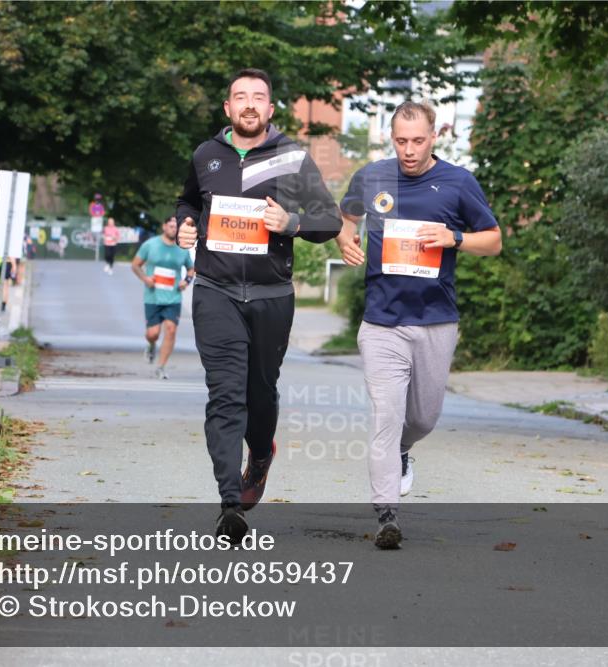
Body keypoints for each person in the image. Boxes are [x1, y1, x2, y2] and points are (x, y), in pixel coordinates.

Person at [177, 68, 342, 541]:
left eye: (259, 97)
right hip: (216, 290)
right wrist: (184, 224)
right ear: (227, 108)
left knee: (259, 393)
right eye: (239, 97)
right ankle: (231, 503)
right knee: (225, 395)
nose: (249, 104)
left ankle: (262, 452)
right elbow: (188, 203)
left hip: (272, 296)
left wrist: (290, 221)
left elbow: (328, 220)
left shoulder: (292, 157)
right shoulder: (206, 155)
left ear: (271, 109)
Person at [336, 101, 502, 549]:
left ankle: (405, 450)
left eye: (418, 141)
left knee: (424, 418)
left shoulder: (458, 183)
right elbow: (346, 217)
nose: (409, 150)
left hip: (435, 321)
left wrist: (456, 238)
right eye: (401, 141)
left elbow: (494, 241)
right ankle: (386, 515)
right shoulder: (372, 177)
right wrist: (345, 236)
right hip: (382, 323)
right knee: (386, 418)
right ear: (392, 139)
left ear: (434, 138)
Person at [131, 217, 194, 379]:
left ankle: (161, 366)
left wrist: (185, 281)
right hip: (153, 296)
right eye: (171, 226)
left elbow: (191, 269)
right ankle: (151, 345)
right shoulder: (150, 245)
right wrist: (145, 279)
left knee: (171, 330)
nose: (173, 229)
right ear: (164, 226)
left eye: (176, 226)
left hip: (173, 297)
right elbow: (135, 265)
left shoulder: (182, 249)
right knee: (153, 333)